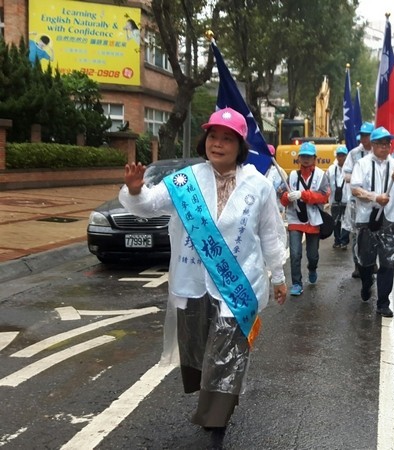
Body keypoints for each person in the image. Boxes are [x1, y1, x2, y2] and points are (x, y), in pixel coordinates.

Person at [119, 107, 288, 433]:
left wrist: (278, 277)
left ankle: (214, 417)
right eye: (213, 136)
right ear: (204, 140)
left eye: (227, 138)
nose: (218, 144)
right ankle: (220, 394)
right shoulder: (186, 181)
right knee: (199, 350)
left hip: (241, 285)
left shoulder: (259, 185)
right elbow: (149, 205)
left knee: (227, 350)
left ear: (240, 145)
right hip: (192, 281)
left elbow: (270, 234)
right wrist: (136, 190)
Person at [351, 126, 394, 318]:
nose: (385, 147)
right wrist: (374, 197)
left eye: (388, 144)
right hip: (366, 220)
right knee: (365, 260)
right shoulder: (361, 164)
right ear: (373, 145)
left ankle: (383, 302)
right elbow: (355, 189)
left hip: (391, 220)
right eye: (381, 144)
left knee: (388, 262)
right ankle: (366, 282)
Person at [281, 142, 330, 296]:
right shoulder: (293, 176)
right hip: (295, 219)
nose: (306, 159)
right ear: (299, 158)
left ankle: (312, 268)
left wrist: (304, 195)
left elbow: (324, 196)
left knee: (312, 255)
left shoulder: (321, 175)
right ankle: (296, 283)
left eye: (309, 156)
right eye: (303, 156)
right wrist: (286, 197)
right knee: (295, 253)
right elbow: (282, 197)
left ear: (314, 158)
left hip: (313, 220)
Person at [342, 121, 375, 278]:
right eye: (362, 135)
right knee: (357, 234)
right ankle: (357, 264)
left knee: (374, 232)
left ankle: (372, 262)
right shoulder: (354, 154)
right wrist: (357, 176)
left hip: (374, 201)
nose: (364, 139)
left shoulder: (378, 154)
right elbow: (346, 175)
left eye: (366, 135)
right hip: (357, 201)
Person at [327, 145, 351, 249]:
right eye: (339, 155)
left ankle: (344, 241)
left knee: (346, 221)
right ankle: (337, 240)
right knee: (335, 222)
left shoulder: (351, 168)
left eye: (343, 156)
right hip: (335, 200)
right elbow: (326, 182)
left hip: (347, 200)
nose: (341, 158)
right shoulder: (331, 169)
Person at [264, 144, 286, 214]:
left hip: (276, 208)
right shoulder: (258, 169)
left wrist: (281, 189)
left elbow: (287, 184)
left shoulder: (279, 170)